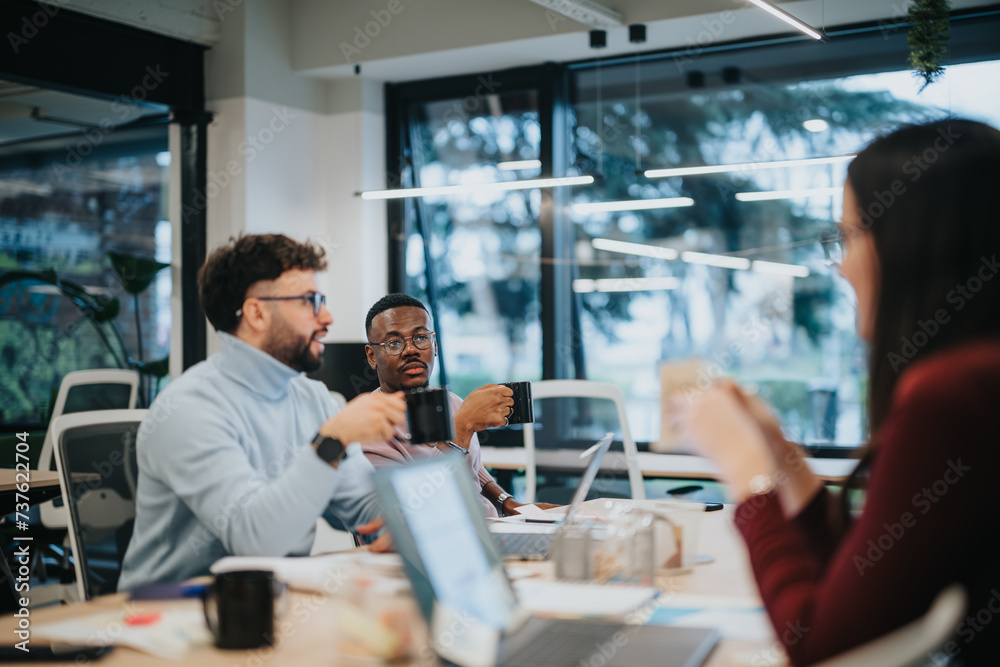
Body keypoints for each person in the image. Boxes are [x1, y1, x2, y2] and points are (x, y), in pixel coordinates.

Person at [685, 120, 1000, 665]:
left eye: (849, 236)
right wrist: (781, 456)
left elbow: (818, 642)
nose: (840, 265)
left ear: (911, 244)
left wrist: (745, 471)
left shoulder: (952, 397)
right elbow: (863, 583)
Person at [119, 234, 406, 591]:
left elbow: (364, 504)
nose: (328, 317)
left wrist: (399, 522)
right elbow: (256, 541)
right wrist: (333, 440)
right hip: (173, 614)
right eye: (310, 301)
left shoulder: (312, 398)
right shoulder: (189, 409)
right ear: (256, 312)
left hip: (275, 604)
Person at [362, 294, 545, 518]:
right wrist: (464, 425)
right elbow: (412, 509)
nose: (411, 350)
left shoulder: (449, 402)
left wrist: (508, 503)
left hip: (491, 529)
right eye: (395, 343)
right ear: (372, 356)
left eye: (421, 338)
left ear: (435, 345)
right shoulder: (367, 427)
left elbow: (473, 468)